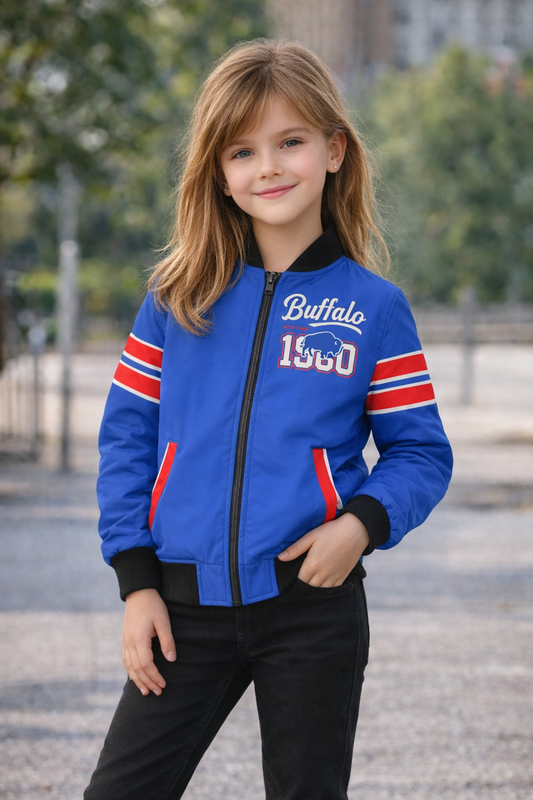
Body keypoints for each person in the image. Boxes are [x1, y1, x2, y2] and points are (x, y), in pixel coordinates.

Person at [85, 39, 453, 800]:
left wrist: (360, 525)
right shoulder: (175, 300)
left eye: (290, 142)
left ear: (333, 150)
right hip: (182, 608)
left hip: (310, 609)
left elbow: (420, 452)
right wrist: (136, 584)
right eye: (242, 151)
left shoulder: (373, 310)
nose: (268, 167)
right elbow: (127, 438)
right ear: (218, 174)